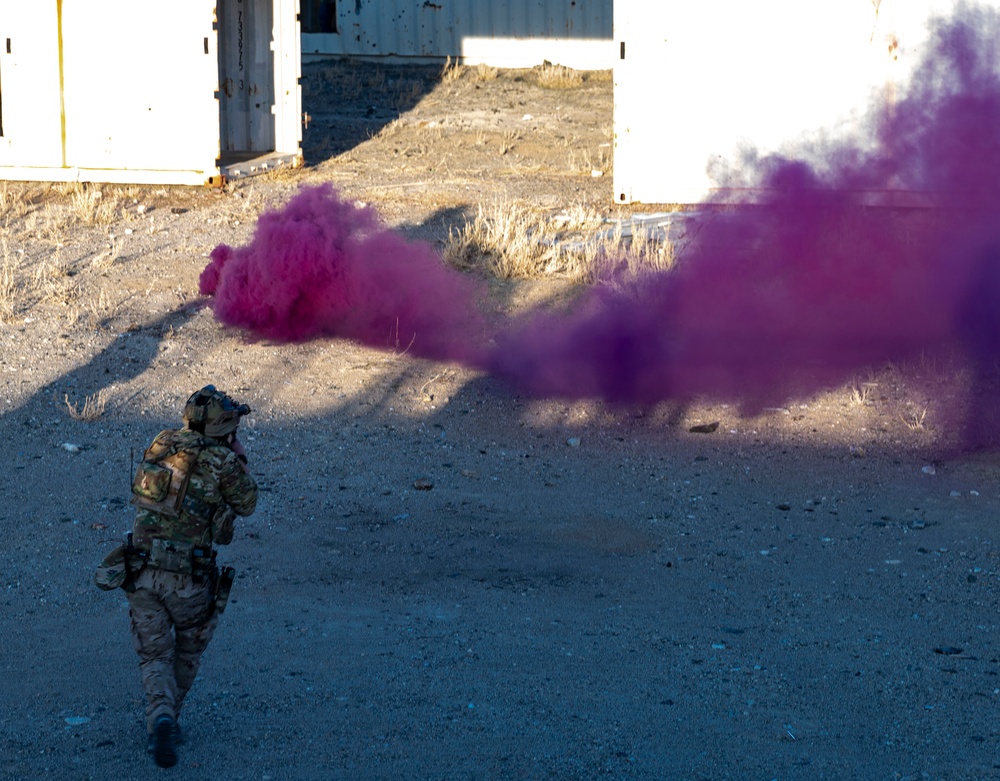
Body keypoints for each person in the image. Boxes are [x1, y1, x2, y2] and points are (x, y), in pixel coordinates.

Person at [124, 385, 258, 768]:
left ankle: (160, 717)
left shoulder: (162, 442)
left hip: (141, 572)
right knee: (187, 649)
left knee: (154, 655)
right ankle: (167, 719)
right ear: (226, 430)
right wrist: (240, 459)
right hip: (188, 582)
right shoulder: (224, 461)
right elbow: (248, 504)